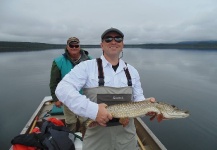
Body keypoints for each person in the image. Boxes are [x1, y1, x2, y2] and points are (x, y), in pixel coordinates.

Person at [55, 28, 155, 150]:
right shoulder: (87, 67)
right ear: (101, 45)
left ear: (122, 44)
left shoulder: (133, 71)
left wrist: (148, 106)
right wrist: (94, 110)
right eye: (108, 39)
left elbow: (138, 100)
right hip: (96, 142)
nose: (113, 42)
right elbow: (62, 89)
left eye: (118, 39)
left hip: (127, 140)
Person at [49, 37, 92, 132]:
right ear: (67, 47)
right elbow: (54, 82)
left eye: (76, 45)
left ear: (79, 47)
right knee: (70, 121)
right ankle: (71, 136)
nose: (74, 47)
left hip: (85, 97)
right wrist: (56, 98)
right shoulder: (58, 62)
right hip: (67, 97)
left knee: (84, 119)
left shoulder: (90, 60)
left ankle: (84, 136)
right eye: (71, 45)